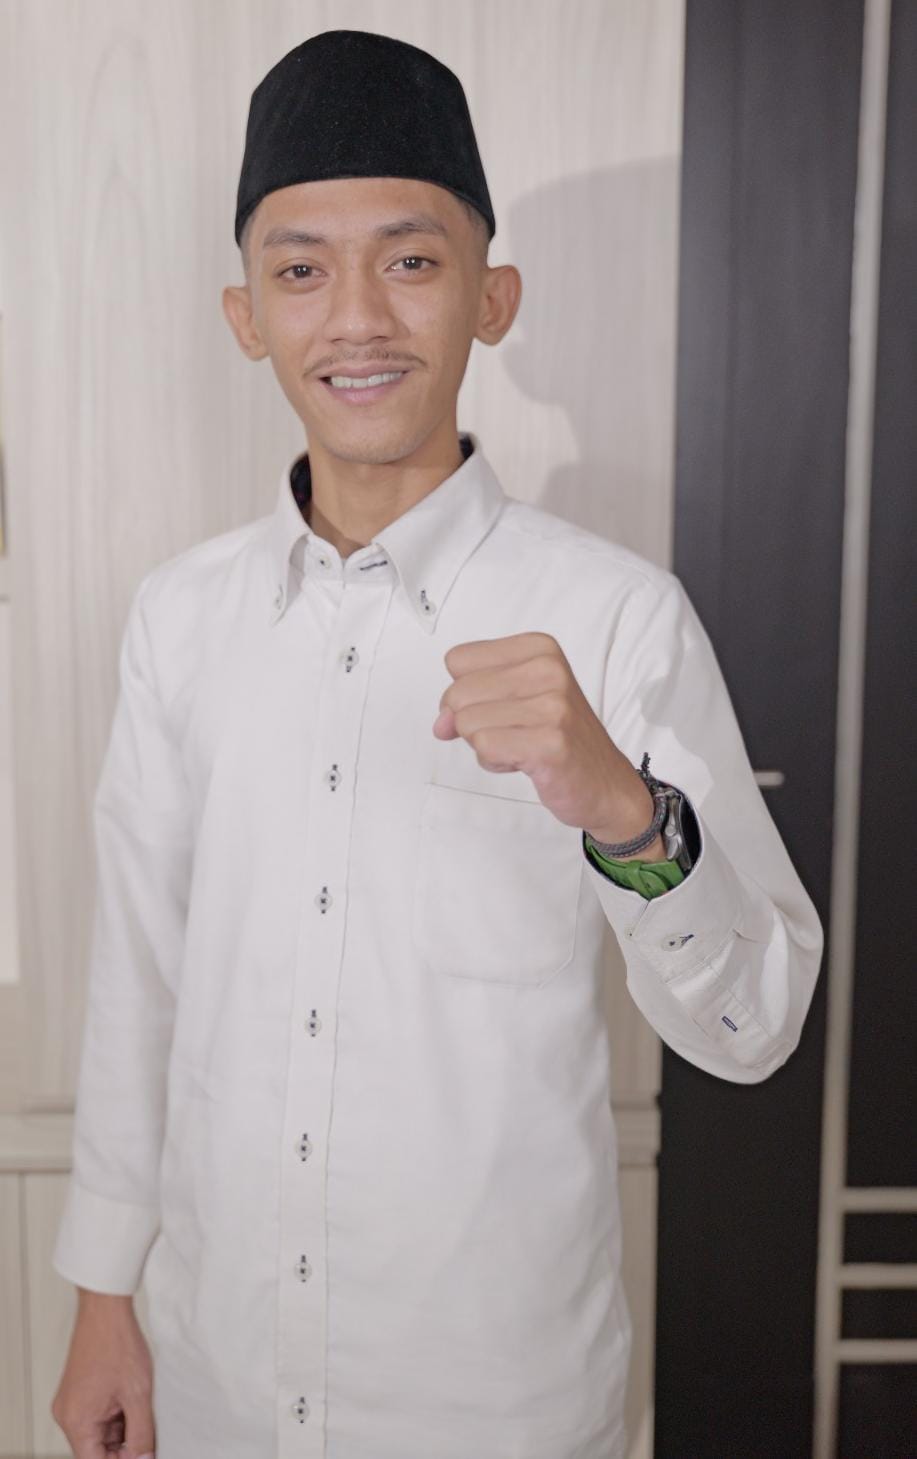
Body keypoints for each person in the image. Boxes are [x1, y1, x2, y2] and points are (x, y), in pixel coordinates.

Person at [49, 27, 824, 1459]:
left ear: (491, 297)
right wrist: (105, 1296)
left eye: (409, 260)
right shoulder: (179, 619)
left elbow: (755, 1027)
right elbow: (141, 972)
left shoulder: (617, 617)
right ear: (245, 316)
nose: (356, 319)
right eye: (300, 271)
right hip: (221, 1380)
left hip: (499, 1403)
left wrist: (627, 814)